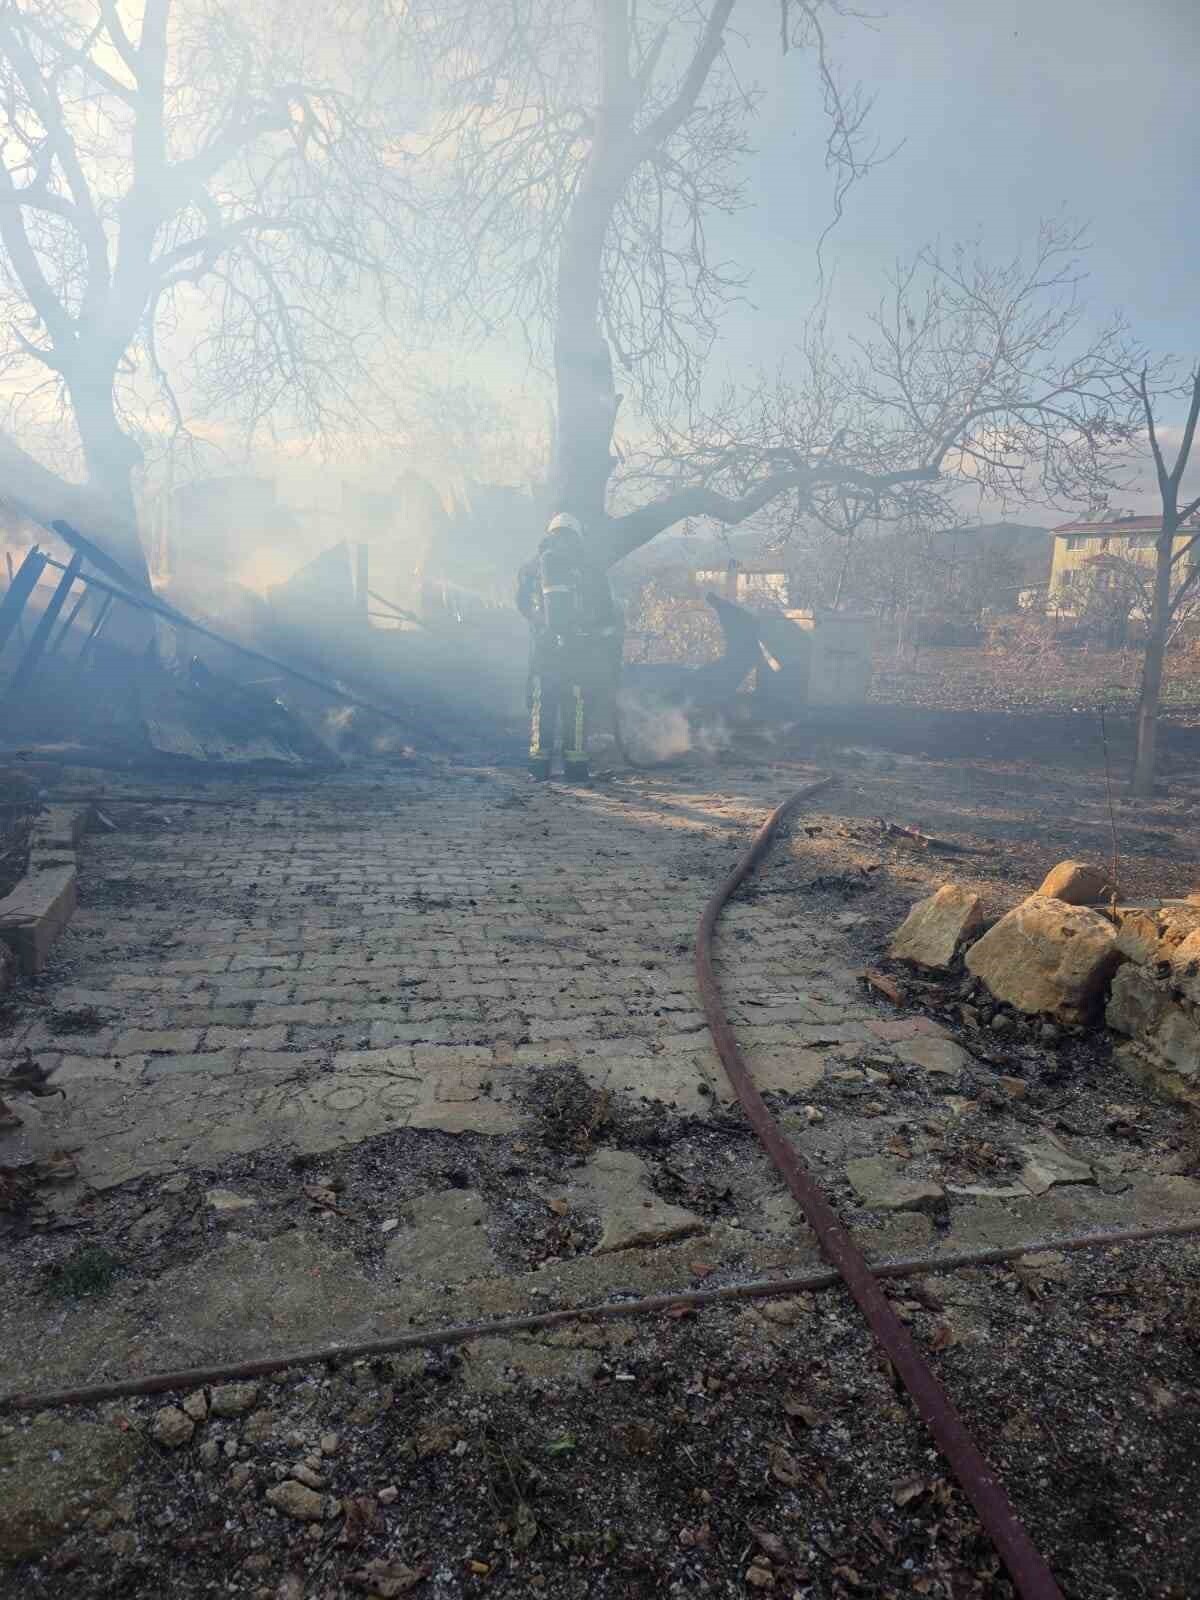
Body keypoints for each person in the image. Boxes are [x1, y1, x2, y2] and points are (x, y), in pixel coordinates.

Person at [516, 512, 620, 781]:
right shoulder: (589, 569)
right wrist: (594, 637)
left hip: (544, 650)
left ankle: (539, 768)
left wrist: (541, 626)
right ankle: (575, 770)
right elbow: (607, 615)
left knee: (544, 704)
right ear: (577, 537)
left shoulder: (532, 567)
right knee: (576, 705)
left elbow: (522, 604)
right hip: (578, 650)